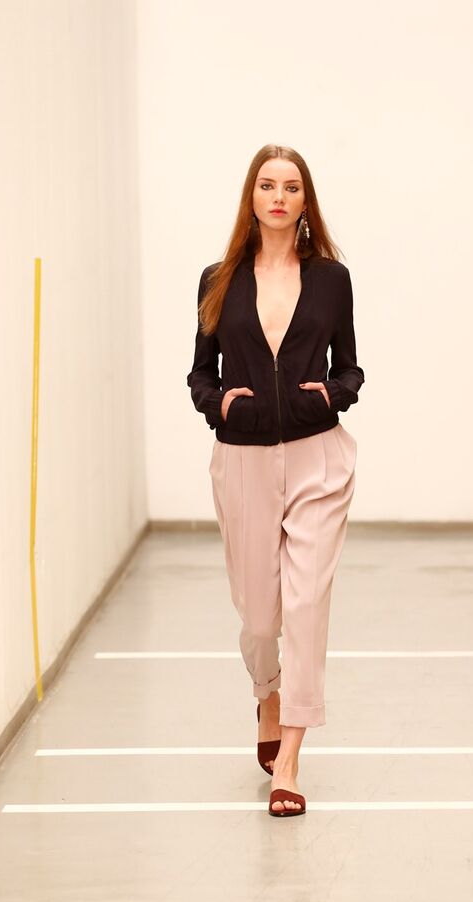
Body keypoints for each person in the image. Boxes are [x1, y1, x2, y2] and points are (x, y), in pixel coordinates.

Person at [186, 144, 364, 817]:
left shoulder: (332, 280)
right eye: (268, 185)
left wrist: (330, 396)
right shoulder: (218, 279)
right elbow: (200, 373)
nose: (279, 197)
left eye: (291, 187)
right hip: (244, 460)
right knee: (261, 621)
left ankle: (289, 757)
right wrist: (221, 404)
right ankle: (267, 692)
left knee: (307, 606)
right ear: (252, 197)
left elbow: (350, 368)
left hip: (319, 457)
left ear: (305, 200)